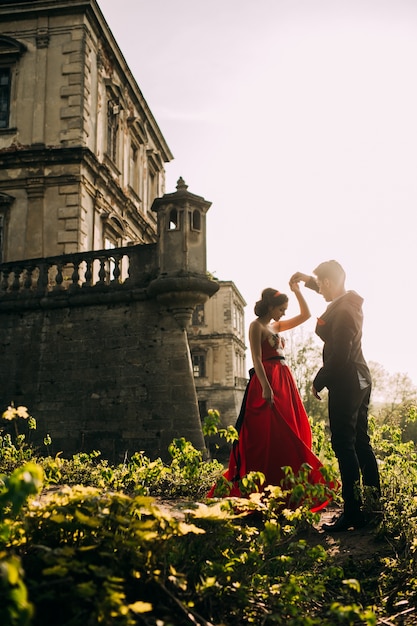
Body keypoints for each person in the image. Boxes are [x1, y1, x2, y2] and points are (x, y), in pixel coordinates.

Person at [207, 280, 334, 512]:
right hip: (268, 381)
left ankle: (294, 487)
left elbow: (305, 314)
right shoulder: (257, 326)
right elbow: (255, 358)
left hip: (285, 381)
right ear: (270, 307)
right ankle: (260, 489)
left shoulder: (275, 327)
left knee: (293, 429)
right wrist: (266, 386)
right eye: (281, 308)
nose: (284, 313)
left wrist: (297, 292)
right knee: (269, 434)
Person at [291, 261, 381, 532]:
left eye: (320, 285)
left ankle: (353, 512)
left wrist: (319, 380)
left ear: (329, 283)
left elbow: (340, 354)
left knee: (344, 444)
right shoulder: (348, 303)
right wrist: (307, 279)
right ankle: (373, 507)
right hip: (360, 377)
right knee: (360, 442)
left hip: (347, 380)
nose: (319, 290)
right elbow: (328, 286)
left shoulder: (343, 311)